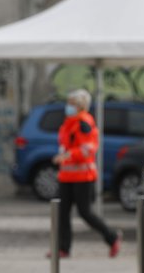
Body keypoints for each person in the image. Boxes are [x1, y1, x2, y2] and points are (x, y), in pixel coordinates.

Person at [49, 89, 122, 259]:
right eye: (69, 103)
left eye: (72, 104)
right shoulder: (69, 122)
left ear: (81, 106)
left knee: (85, 212)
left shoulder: (84, 124)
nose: (69, 106)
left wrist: (66, 156)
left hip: (83, 176)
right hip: (66, 176)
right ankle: (63, 248)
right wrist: (64, 156)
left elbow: (88, 150)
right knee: (62, 212)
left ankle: (112, 237)